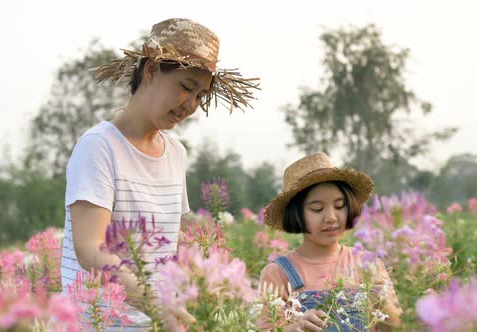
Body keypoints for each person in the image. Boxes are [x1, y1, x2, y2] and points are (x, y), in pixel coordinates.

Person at [59, 18, 259, 331]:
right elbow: (90, 249)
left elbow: (165, 238)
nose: (191, 105)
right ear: (152, 70)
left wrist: (214, 273)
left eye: (201, 96)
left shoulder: (175, 153)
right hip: (96, 323)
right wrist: (154, 304)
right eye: (186, 87)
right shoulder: (99, 147)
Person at [258, 152, 402, 332]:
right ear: (296, 215)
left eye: (340, 206)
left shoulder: (367, 263)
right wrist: (295, 328)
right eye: (317, 209)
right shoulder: (278, 273)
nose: (331, 217)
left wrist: (382, 302)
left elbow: (394, 327)